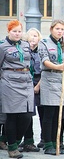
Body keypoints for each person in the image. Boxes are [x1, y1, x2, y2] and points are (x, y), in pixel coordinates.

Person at [0, 20, 34, 158]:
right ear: (9, 31)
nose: (17, 34)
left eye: (19, 31)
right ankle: (12, 147)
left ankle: (16, 140)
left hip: (26, 81)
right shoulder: (3, 47)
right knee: (12, 116)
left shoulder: (26, 45)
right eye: (14, 31)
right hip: (10, 81)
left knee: (26, 116)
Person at [38, 20, 64, 155]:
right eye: (57, 28)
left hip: (61, 80)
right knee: (49, 113)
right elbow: (45, 61)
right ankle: (48, 144)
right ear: (51, 29)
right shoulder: (44, 43)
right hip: (50, 78)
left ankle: (57, 141)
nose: (60, 31)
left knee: (60, 114)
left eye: (62, 29)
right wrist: (58, 67)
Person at [18, 28, 43, 152]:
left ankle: (45, 139)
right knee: (28, 113)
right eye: (31, 36)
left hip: (41, 82)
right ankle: (28, 140)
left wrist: (38, 86)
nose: (34, 38)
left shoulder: (41, 51)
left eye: (36, 36)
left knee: (43, 112)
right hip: (26, 82)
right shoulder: (23, 51)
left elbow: (45, 70)